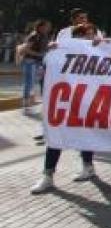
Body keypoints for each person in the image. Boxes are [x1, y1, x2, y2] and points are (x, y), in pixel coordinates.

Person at [30, 23, 98, 194]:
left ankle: (88, 166)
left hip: (86, 103)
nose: (89, 38)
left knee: (85, 134)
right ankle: (48, 175)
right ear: (75, 38)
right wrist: (53, 51)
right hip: (64, 103)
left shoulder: (100, 52)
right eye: (85, 35)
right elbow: (46, 68)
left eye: (91, 35)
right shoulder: (60, 51)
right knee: (55, 136)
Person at [20, 19, 50, 111]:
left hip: (38, 62)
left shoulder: (44, 36)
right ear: (40, 27)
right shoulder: (34, 36)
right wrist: (39, 54)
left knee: (37, 82)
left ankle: (31, 101)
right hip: (30, 61)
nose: (47, 28)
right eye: (45, 26)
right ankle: (26, 104)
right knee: (29, 82)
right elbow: (25, 49)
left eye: (47, 27)